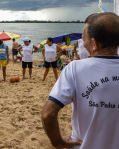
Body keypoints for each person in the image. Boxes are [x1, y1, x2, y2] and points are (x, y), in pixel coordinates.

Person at [41, 12, 119, 149]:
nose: (83, 43)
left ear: (94, 43)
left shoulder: (75, 69)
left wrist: (59, 142)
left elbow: (48, 114)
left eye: (84, 39)